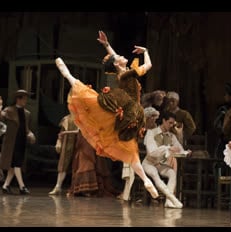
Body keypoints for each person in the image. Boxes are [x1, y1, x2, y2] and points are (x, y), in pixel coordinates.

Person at [54, 31, 159, 199]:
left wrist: (106, 45)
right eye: (120, 57)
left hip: (129, 114)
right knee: (131, 150)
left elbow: (114, 58)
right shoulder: (127, 74)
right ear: (117, 64)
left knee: (89, 96)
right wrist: (146, 52)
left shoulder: (122, 71)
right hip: (134, 114)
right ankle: (146, 180)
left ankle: (68, 75)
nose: (122, 56)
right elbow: (148, 66)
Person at [142, 111, 192, 208]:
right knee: (154, 175)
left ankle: (168, 201)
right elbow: (152, 152)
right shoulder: (151, 133)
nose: (171, 125)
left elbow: (179, 149)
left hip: (160, 164)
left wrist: (186, 153)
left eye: (173, 123)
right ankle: (174, 199)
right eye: (169, 123)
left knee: (172, 173)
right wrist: (168, 148)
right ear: (164, 121)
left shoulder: (171, 136)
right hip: (149, 163)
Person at [0, 89, 36, 195]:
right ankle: (22, 187)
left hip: (21, 141)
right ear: (18, 99)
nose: (26, 100)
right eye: (24, 98)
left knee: (14, 165)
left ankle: (6, 186)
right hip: (12, 142)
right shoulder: (9, 110)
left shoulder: (27, 113)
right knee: (17, 164)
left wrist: (30, 134)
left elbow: (26, 128)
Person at [49, 112, 79, 195]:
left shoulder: (81, 117)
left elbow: (79, 131)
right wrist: (58, 142)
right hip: (67, 144)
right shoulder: (66, 118)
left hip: (78, 144)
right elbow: (61, 133)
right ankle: (58, 186)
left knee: (77, 166)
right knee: (63, 165)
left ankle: (76, 188)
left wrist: (66, 133)